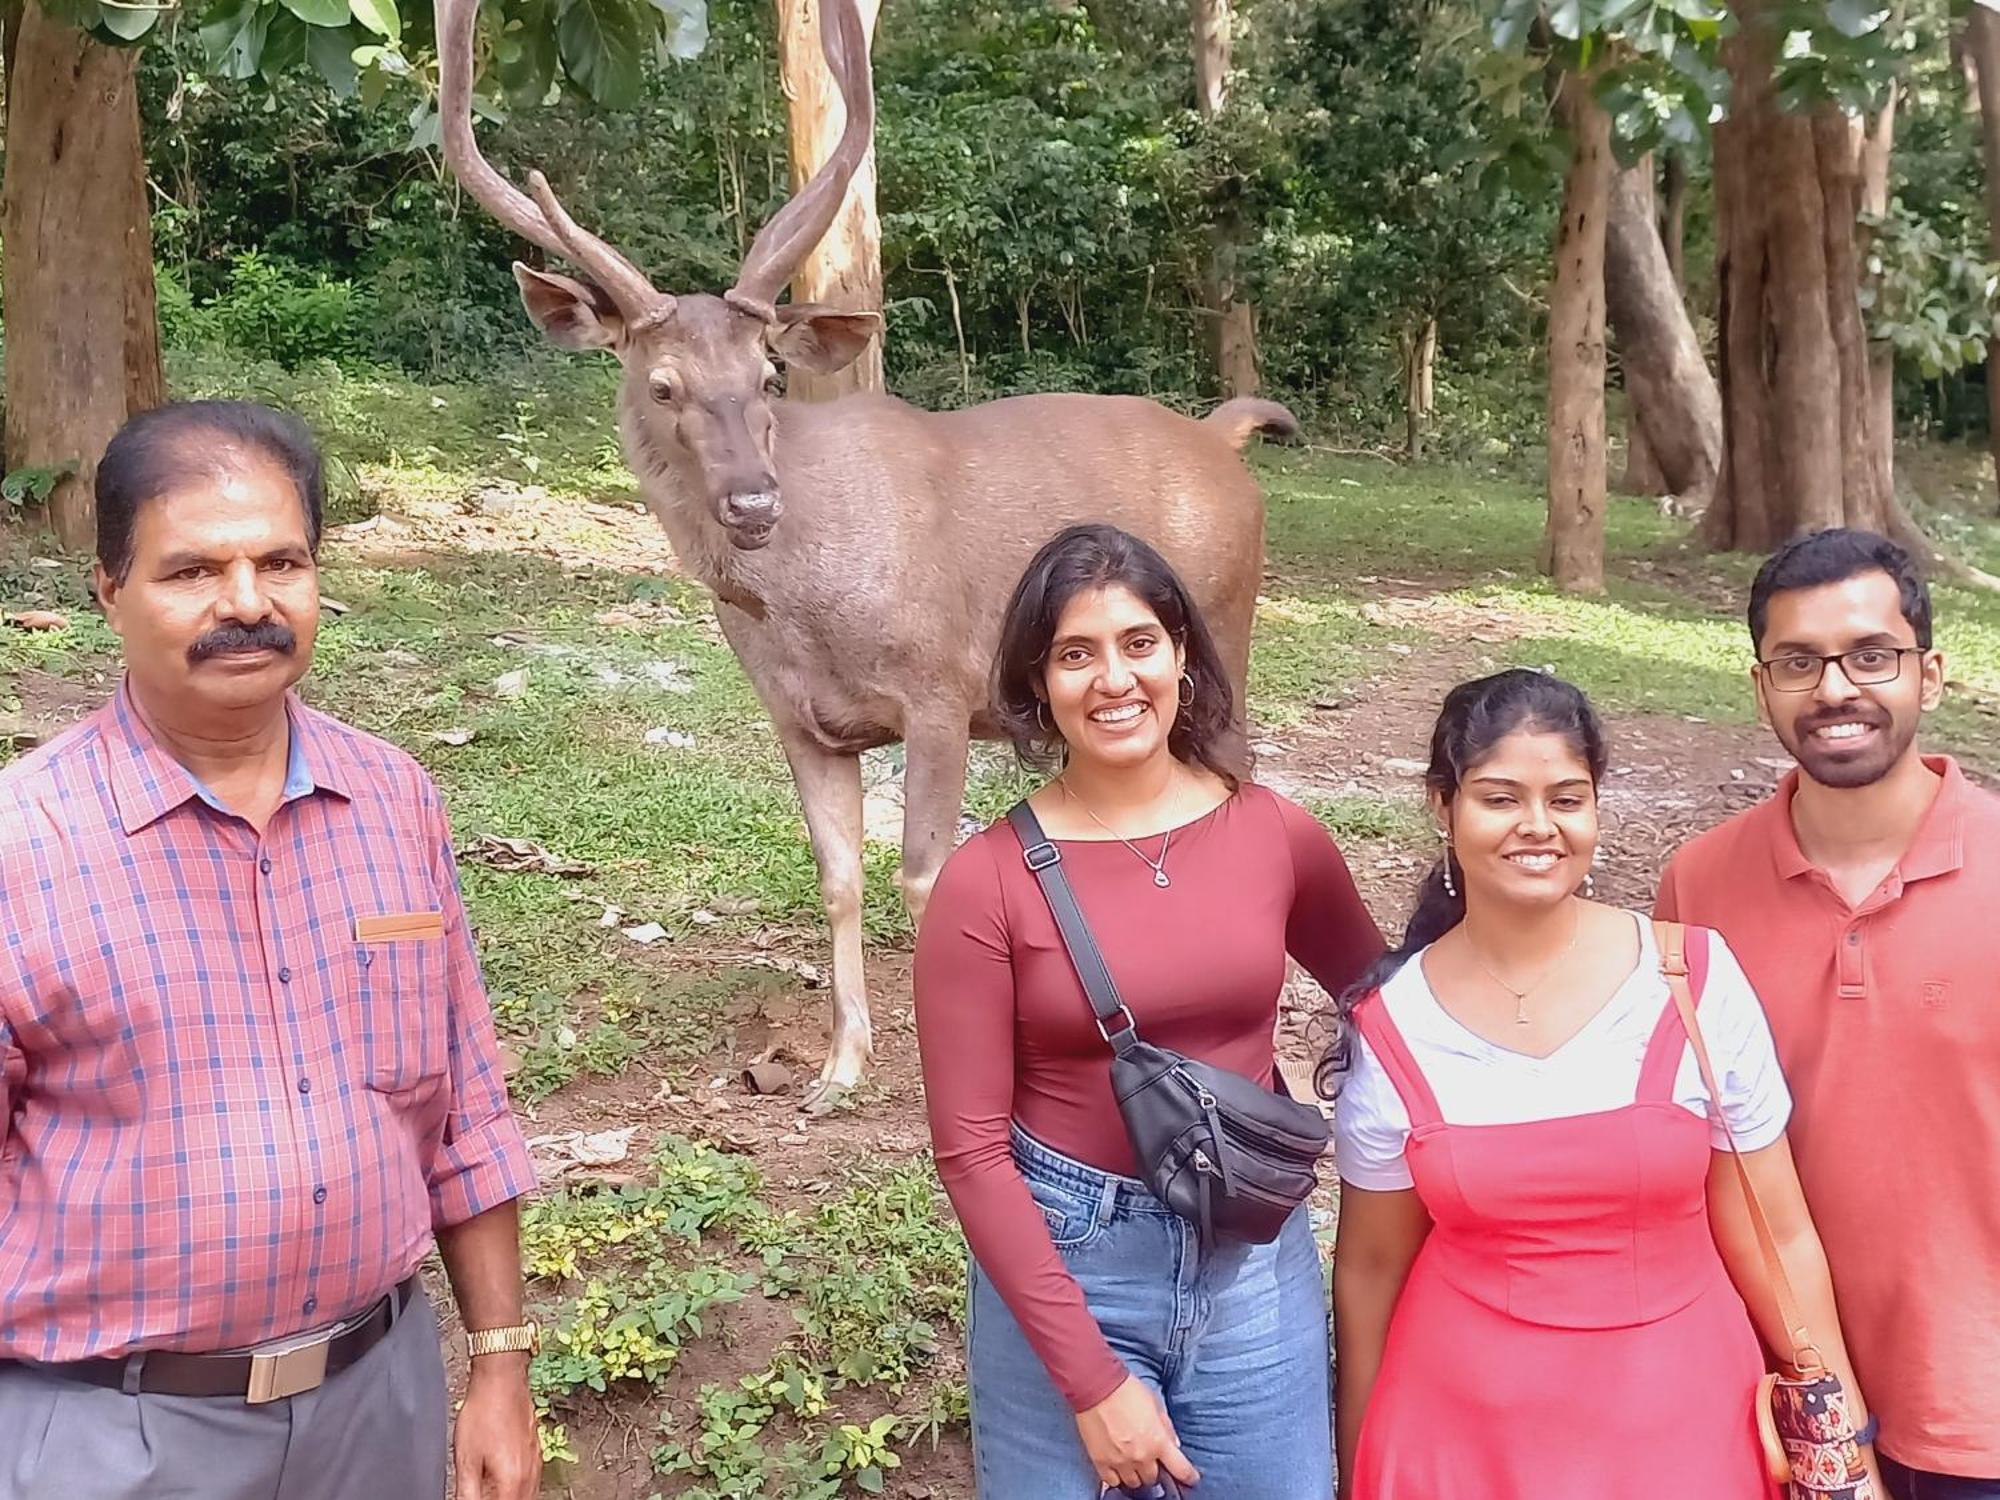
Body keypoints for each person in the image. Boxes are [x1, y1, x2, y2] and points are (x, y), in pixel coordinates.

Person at [0, 402, 541, 1500]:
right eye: (193, 570)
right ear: (109, 591)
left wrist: (498, 1366)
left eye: (279, 561)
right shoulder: (26, 846)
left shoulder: (396, 802)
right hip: (112, 1431)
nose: (246, 604)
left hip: (377, 1404)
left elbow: (466, 1114)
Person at [1328, 668, 1878, 1500]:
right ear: (1444, 809)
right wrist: (1359, 1468)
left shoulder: (1691, 980)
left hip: (1686, 1432)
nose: (1537, 827)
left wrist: (1844, 1448)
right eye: (1500, 798)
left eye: (1567, 797)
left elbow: (1779, 1232)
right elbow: (1370, 1268)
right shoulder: (1395, 1022)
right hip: (1460, 1438)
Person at [914, 523, 1382, 1498]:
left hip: (1250, 1260)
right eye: (1074, 654)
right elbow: (968, 1151)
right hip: (1068, 1263)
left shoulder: (1273, 833)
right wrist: (1089, 1383)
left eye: (1137, 643)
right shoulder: (984, 883)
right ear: (1036, 683)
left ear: (1180, 653)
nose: (1113, 679)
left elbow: (1383, 1001)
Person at [1656, 528, 2000, 1500]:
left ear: (1928, 675)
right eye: (1798, 662)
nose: (1834, 688)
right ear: (1760, 684)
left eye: (1870, 657)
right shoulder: (1699, 882)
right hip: (1778, 1397)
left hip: (1976, 1404)